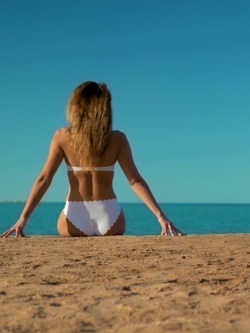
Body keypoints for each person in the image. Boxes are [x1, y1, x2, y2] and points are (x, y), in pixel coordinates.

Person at [2, 81, 182, 238]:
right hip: (110, 217)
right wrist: (160, 216)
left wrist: (22, 219)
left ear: (76, 107)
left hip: (73, 218)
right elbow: (134, 180)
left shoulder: (62, 137)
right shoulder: (117, 139)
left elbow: (44, 179)